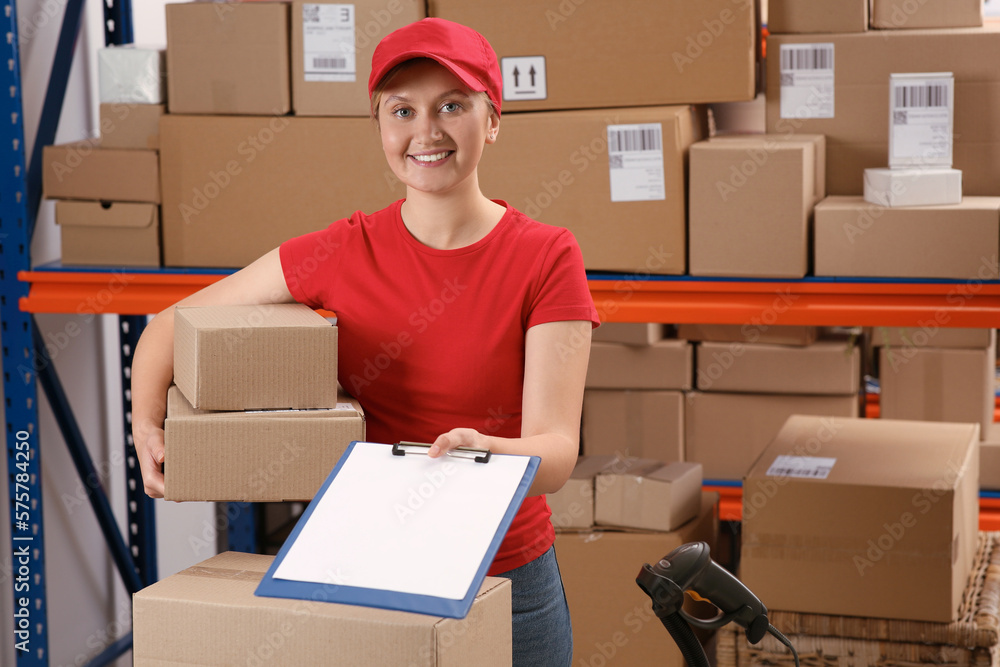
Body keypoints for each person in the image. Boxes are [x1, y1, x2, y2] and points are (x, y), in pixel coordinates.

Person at [131, 17, 598, 667]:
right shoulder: (341, 250)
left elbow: (556, 452)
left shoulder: (546, 256)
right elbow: (165, 325)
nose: (425, 131)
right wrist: (147, 424)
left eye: (452, 106)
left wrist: (485, 451)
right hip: (367, 568)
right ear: (379, 125)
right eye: (402, 110)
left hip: (503, 576)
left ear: (493, 120)